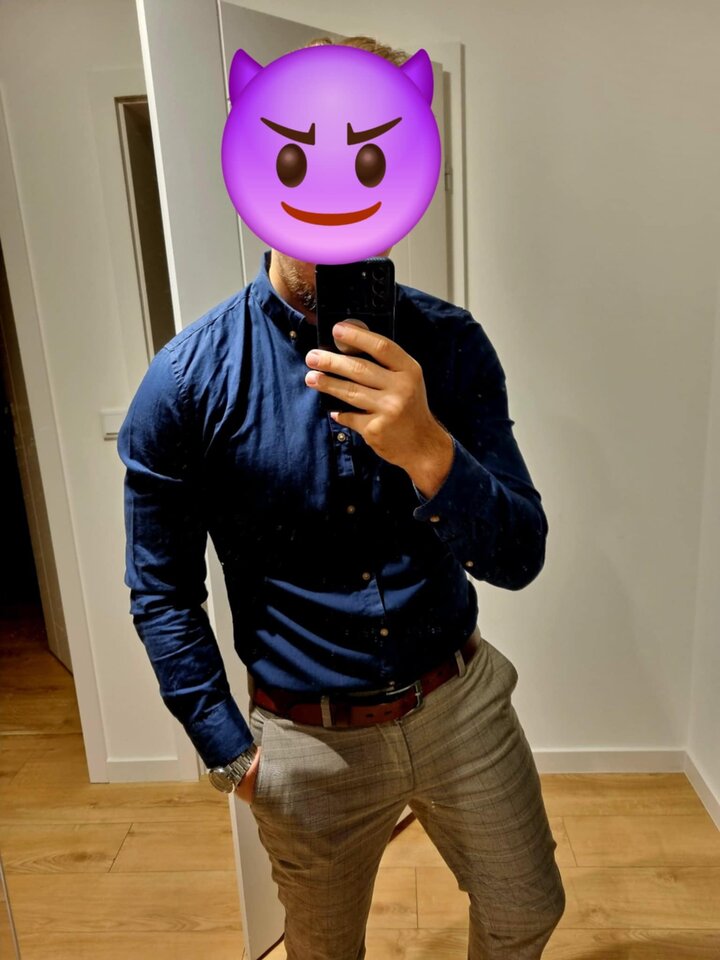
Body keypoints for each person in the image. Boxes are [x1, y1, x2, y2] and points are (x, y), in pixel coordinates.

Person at [117, 33, 566, 960]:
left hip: (460, 701)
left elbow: (520, 554)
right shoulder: (187, 383)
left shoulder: (452, 346)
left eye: (369, 160)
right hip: (306, 741)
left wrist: (429, 451)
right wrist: (229, 750)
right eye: (298, 160)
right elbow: (160, 589)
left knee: (528, 911)